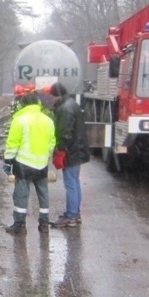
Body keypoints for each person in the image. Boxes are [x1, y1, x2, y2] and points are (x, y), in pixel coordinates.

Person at [3, 89, 56, 234]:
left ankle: (20, 225)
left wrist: (8, 161)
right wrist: (45, 156)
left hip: (23, 163)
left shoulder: (19, 120)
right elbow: (52, 142)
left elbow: (13, 143)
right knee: (43, 193)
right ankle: (44, 223)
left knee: (21, 193)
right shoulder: (48, 121)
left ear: (23, 104)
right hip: (42, 163)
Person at [49, 82, 89, 227]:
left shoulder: (65, 109)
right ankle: (75, 213)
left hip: (71, 151)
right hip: (77, 149)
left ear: (56, 95)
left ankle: (71, 215)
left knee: (70, 183)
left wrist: (60, 151)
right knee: (75, 181)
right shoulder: (71, 103)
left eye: (51, 96)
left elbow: (63, 132)